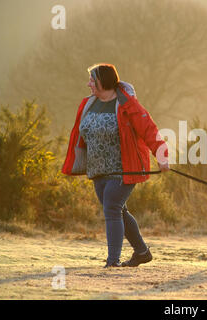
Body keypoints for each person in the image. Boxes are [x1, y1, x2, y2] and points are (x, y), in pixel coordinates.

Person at [62, 63, 169, 268]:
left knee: (112, 208)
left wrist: (162, 155)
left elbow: (149, 129)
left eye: (92, 80)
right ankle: (142, 252)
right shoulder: (88, 104)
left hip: (124, 168)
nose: (89, 84)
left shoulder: (126, 103)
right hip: (98, 169)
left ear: (103, 82)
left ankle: (112, 262)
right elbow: (79, 133)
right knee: (117, 211)